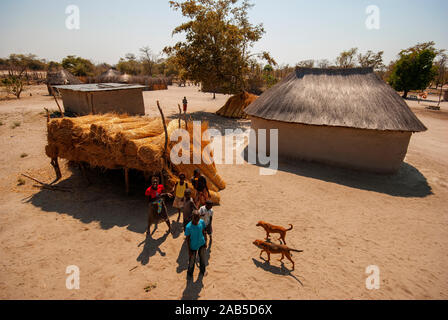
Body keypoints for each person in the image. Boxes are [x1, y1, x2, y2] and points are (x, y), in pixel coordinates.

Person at [185, 212, 207, 279]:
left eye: (198, 218)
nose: (197, 220)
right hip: (193, 246)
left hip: (201, 243)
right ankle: (189, 273)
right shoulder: (188, 227)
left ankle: (203, 270)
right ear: (192, 217)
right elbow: (188, 239)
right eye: (195, 218)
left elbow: (204, 232)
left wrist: (206, 241)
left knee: (202, 258)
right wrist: (189, 250)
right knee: (192, 261)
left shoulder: (202, 222)